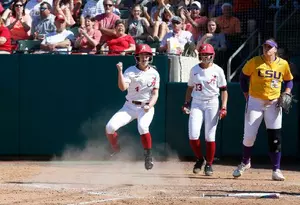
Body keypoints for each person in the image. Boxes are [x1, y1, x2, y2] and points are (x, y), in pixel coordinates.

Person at [233, 39, 294, 181]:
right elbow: (242, 77)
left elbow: (289, 80)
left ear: (275, 50)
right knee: (249, 136)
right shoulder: (254, 61)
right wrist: (246, 95)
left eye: (269, 47)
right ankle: (245, 162)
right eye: (265, 47)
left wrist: (287, 92)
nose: (266, 49)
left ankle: (276, 169)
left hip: (274, 103)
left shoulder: (283, 64)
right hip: (255, 101)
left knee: (275, 138)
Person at [105, 44, 160, 170]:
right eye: (141, 55)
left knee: (142, 127)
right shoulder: (130, 70)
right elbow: (122, 87)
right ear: (137, 57)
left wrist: (150, 105)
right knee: (110, 127)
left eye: (146, 55)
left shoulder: (155, 73)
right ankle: (116, 150)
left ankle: (148, 156)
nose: (144, 58)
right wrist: (119, 71)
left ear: (150, 57)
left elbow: (156, 93)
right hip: (130, 106)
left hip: (146, 106)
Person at [182, 43, 228, 176]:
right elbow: (190, 87)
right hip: (196, 102)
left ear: (212, 55)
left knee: (209, 135)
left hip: (212, 102)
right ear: (199, 55)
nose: (206, 57)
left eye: (208, 55)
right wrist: (186, 103)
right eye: (203, 54)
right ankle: (200, 159)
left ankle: (209, 164)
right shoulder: (194, 69)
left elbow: (224, 90)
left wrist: (224, 106)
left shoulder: (218, 70)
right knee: (193, 134)